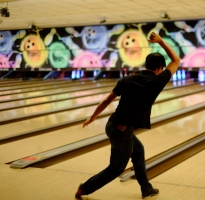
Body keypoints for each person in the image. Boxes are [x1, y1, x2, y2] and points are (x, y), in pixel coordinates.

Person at [75, 32, 180, 199]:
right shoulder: (157, 82)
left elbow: (107, 99)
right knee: (116, 168)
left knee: (138, 151)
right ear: (160, 69)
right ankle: (85, 188)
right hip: (122, 131)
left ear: (146, 65)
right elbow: (176, 61)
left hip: (112, 125)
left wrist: (93, 117)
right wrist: (160, 41)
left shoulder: (127, 79)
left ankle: (146, 188)